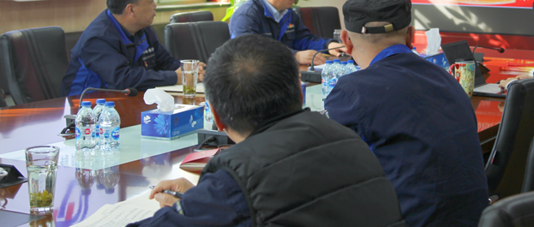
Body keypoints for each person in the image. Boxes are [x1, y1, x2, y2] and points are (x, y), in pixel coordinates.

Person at [130, 34, 405, 227]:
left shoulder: (236, 181)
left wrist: (201, 202)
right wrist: (199, 200)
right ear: (299, 93)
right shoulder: (352, 141)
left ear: (216, 117)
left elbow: (247, 195)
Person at [324, 0, 489, 227]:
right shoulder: (447, 78)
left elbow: (326, 171)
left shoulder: (352, 90)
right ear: (411, 35)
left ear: (346, 41)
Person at [61, 0, 200, 96]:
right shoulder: (97, 39)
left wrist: (191, 70)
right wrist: (176, 77)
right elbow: (123, 79)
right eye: (151, 0)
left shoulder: (143, 28)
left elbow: (164, 62)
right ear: (131, 10)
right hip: (86, 108)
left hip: (126, 102)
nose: (155, 5)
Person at [228, 0, 342, 66]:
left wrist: (328, 45)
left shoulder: (287, 13)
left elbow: (303, 39)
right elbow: (249, 52)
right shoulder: (246, 16)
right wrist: (294, 56)